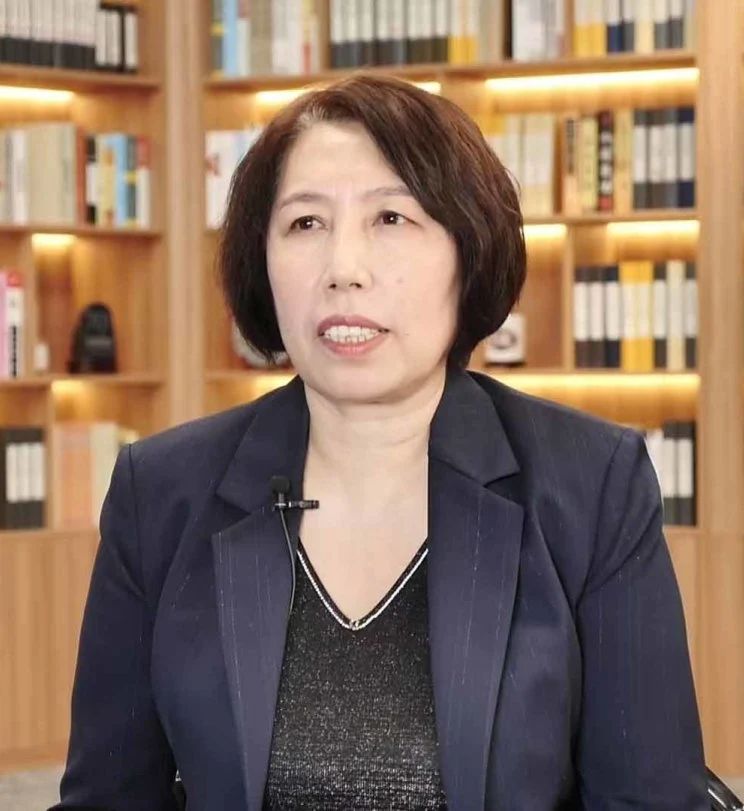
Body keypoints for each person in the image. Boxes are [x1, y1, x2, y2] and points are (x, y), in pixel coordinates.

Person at [51, 73, 708, 810]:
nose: (343, 270)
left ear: (467, 250)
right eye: (305, 223)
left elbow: (650, 798)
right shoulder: (160, 493)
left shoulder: (592, 485)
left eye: (391, 218)